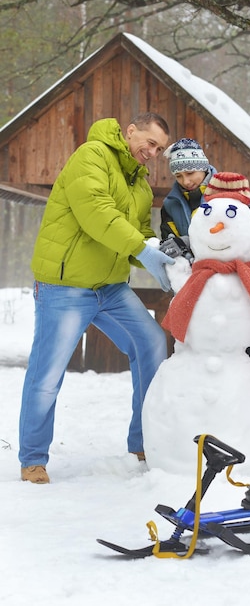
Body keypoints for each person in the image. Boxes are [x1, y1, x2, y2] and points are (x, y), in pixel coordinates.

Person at [19, 113, 175, 484]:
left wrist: (156, 254)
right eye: (149, 142)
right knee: (48, 373)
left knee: (151, 341)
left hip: (110, 288)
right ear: (130, 131)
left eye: (158, 149)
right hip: (66, 286)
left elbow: (139, 231)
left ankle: (143, 441)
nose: (152, 152)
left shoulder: (139, 182)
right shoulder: (91, 156)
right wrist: (141, 247)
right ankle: (33, 459)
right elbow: (97, 213)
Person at [160, 138, 250, 260]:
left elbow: (238, 232)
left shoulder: (227, 191)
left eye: (190, 173)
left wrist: (186, 242)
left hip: (230, 269)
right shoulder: (170, 205)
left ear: (203, 168)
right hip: (189, 273)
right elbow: (169, 243)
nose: (185, 181)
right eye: (178, 176)